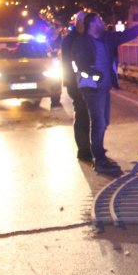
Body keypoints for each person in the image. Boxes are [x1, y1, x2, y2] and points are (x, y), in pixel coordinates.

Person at [71, 12, 138, 175]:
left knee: (104, 122)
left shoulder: (106, 39)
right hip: (92, 88)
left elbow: (125, 35)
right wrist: (95, 75)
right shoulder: (81, 43)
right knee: (98, 122)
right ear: (92, 24)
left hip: (104, 87)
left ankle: (99, 153)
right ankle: (99, 159)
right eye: (100, 20)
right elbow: (79, 65)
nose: (103, 22)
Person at [60, 11, 91, 162]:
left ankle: (89, 147)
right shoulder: (71, 40)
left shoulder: (85, 37)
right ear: (78, 22)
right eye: (84, 22)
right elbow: (68, 63)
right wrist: (72, 82)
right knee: (82, 114)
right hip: (76, 83)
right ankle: (84, 150)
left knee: (90, 115)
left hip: (86, 82)